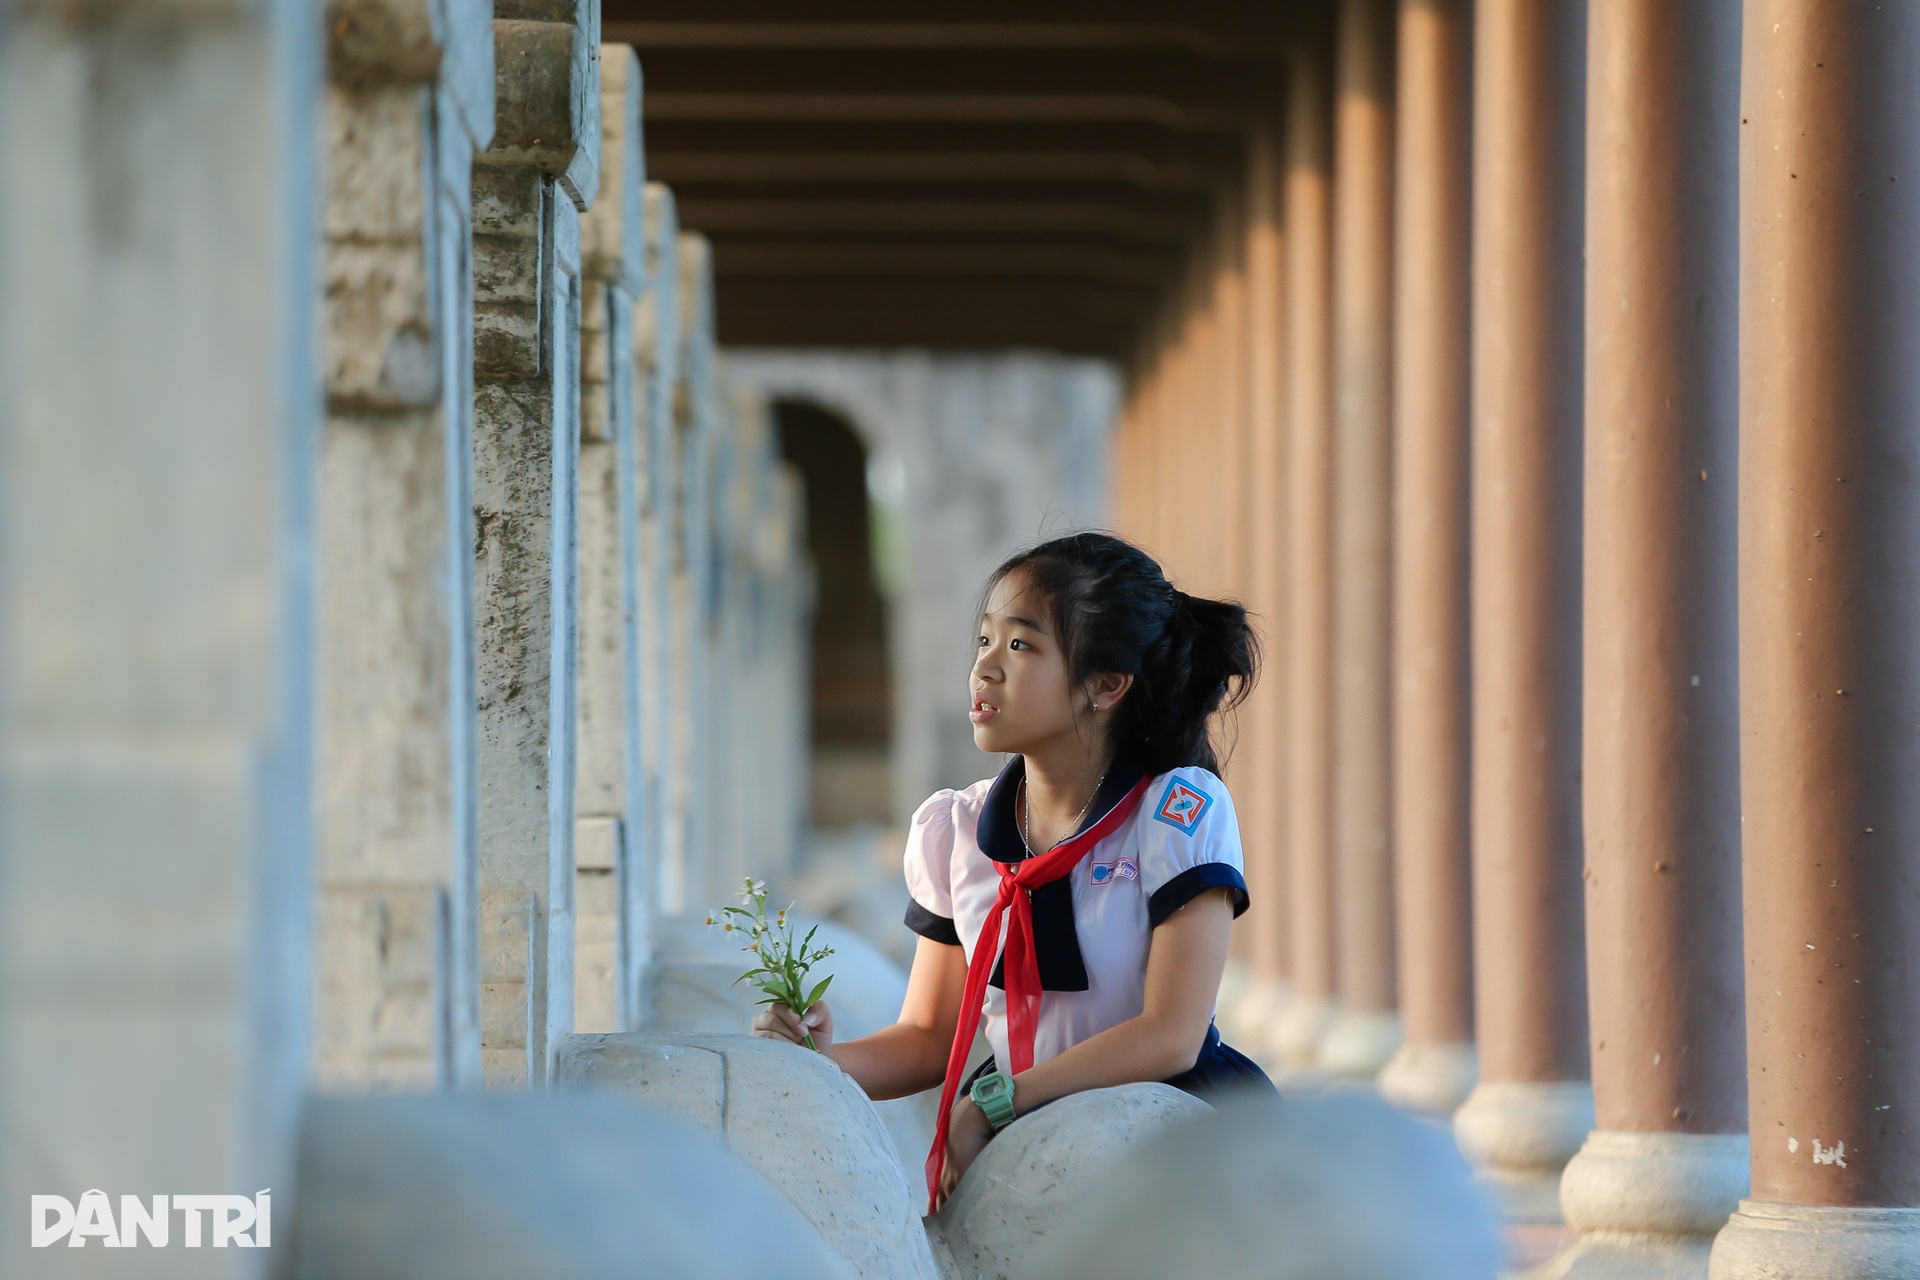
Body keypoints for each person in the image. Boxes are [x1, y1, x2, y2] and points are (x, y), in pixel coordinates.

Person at [753, 531, 1273, 1211]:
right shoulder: (955, 832)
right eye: (984, 641)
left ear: (1106, 685)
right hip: (1018, 1136)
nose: (985, 669)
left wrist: (995, 1102)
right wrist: (816, 1065)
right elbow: (930, 1037)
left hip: (1171, 1132)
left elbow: (1170, 1036)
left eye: (1021, 645)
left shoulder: (1176, 814)